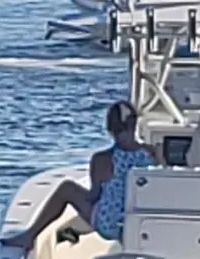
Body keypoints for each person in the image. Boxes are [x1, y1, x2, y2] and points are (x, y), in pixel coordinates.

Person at [10, 101, 153, 245]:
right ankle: (71, 233)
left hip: (110, 225)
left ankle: (29, 236)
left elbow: (93, 196)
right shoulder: (152, 153)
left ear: (110, 129)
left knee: (67, 189)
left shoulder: (103, 159)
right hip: (143, 222)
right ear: (134, 125)